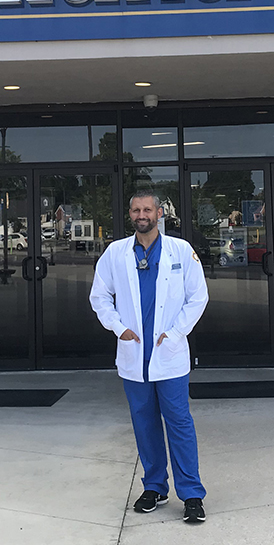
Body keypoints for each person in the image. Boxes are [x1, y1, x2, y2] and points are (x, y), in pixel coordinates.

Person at [90, 190, 210, 523]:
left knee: (179, 424)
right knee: (144, 425)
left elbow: (197, 297)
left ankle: (192, 495)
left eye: (147, 209)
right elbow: (99, 296)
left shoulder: (180, 251)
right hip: (133, 354)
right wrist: (117, 328)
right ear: (130, 215)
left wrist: (175, 333)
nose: (142, 214)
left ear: (159, 213)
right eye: (135, 209)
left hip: (168, 354)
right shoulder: (115, 253)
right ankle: (155, 486)